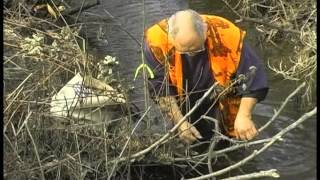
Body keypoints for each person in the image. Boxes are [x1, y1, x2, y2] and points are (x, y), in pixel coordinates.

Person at [143, 9, 268, 146]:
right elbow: (159, 87)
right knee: (187, 140)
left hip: (223, 96)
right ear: (170, 36)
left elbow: (254, 76)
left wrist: (244, 115)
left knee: (230, 140)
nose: (191, 54)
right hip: (183, 99)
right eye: (184, 51)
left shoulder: (226, 33)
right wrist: (180, 122)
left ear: (205, 31)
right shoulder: (156, 41)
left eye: (196, 49)